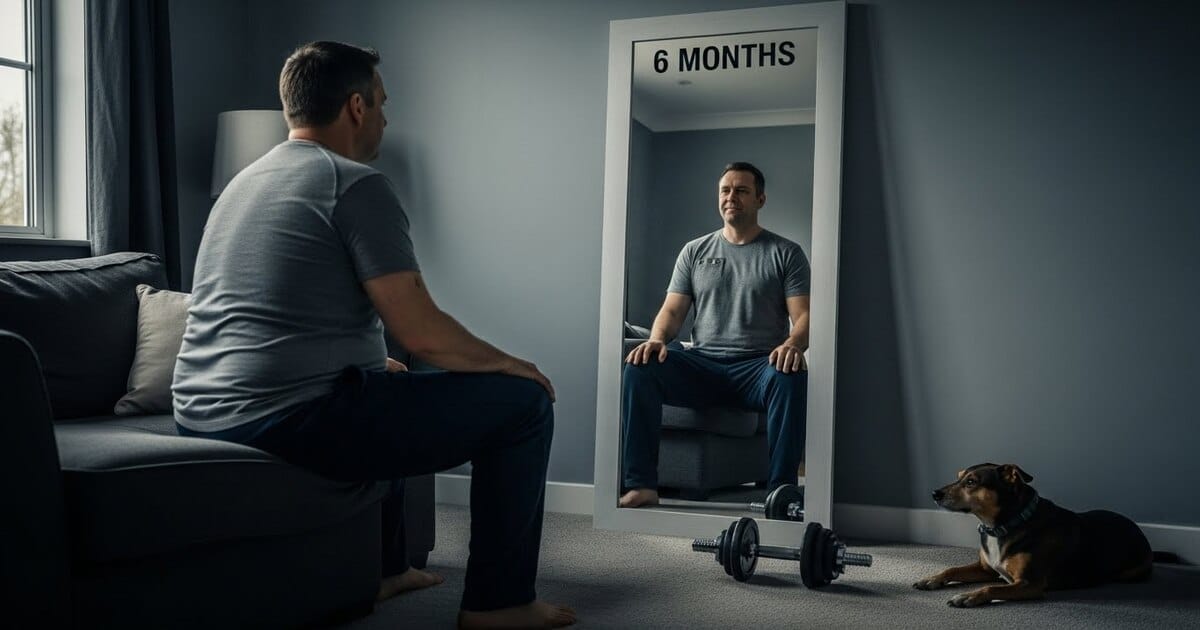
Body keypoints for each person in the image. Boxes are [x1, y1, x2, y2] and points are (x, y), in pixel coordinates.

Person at [172, 41, 575, 629]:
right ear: (356, 107)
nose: (387, 117)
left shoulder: (243, 183)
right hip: (281, 417)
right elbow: (420, 329)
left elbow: (274, 317)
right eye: (383, 103)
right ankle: (500, 602)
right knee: (526, 405)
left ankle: (387, 570)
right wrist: (511, 364)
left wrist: (366, 360)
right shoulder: (354, 184)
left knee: (388, 376)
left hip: (199, 410)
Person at [620, 162, 810, 509]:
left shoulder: (786, 252)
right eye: (725, 190)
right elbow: (672, 311)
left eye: (741, 190)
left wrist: (792, 345)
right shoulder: (694, 251)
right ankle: (642, 485)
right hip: (703, 364)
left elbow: (804, 316)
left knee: (791, 374)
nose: (731, 197)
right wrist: (657, 340)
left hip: (757, 368)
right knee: (640, 369)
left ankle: (781, 492)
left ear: (760, 198)